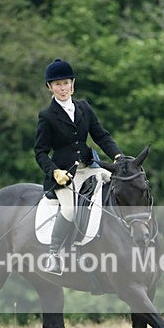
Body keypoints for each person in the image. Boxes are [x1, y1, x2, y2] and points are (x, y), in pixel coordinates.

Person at [34, 58, 124, 274]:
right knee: (70, 209)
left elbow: (101, 136)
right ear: (50, 88)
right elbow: (40, 152)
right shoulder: (47, 116)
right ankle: (53, 255)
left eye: (65, 83)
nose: (62, 88)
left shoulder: (84, 107)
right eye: (57, 84)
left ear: (72, 84)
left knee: (120, 186)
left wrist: (118, 156)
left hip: (89, 166)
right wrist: (55, 171)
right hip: (66, 174)